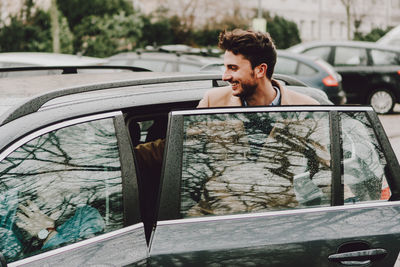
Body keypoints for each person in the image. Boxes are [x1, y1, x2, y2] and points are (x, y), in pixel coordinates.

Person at [197, 29, 319, 108]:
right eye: (226, 68)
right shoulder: (212, 103)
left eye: (233, 68)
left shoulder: (307, 109)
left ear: (260, 70)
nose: (225, 77)